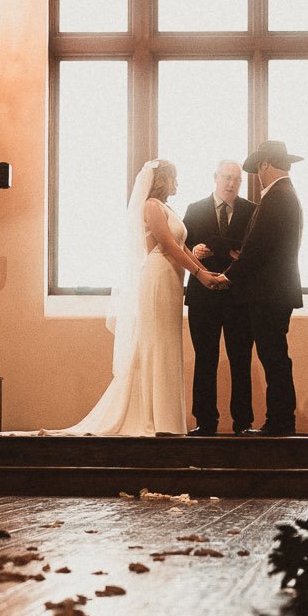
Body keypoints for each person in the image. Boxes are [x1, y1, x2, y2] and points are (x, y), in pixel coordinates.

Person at [66, 159, 227, 437]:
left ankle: (167, 418)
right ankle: (154, 416)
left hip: (172, 280)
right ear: (162, 180)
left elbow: (183, 247)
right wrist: (199, 276)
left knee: (167, 343)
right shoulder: (151, 206)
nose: (177, 183)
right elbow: (166, 245)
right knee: (156, 342)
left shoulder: (167, 208)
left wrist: (204, 272)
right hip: (157, 277)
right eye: (173, 178)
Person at [226, 141, 304, 435]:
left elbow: (258, 248)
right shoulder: (288, 195)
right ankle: (280, 419)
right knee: (275, 356)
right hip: (277, 292)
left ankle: (280, 421)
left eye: (258, 169)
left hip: (268, 294)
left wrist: (229, 276)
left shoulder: (277, 197)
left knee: (273, 358)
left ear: (264, 165)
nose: (258, 175)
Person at [183, 159, 255, 435]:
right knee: (205, 359)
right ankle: (204, 421)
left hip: (238, 296)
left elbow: (257, 249)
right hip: (203, 295)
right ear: (215, 177)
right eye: (226, 177)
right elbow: (181, 244)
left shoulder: (251, 210)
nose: (231, 184)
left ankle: (243, 422)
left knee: (241, 359)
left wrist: (241, 256)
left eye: (237, 179)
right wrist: (195, 249)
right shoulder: (195, 209)